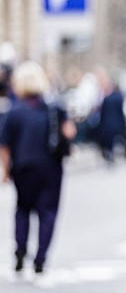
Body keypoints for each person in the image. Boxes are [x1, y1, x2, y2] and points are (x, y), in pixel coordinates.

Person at [0, 60, 76, 274]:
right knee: (48, 212)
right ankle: (41, 257)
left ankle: (21, 250)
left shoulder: (14, 112)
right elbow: (70, 132)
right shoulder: (55, 108)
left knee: (22, 210)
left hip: (23, 168)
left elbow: (4, 146)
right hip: (50, 167)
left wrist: (6, 170)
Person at [95, 71, 126, 163]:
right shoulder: (119, 97)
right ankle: (110, 153)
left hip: (107, 123)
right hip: (115, 122)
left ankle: (109, 153)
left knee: (108, 140)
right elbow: (120, 111)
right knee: (112, 139)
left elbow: (102, 113)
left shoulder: (107, 98)